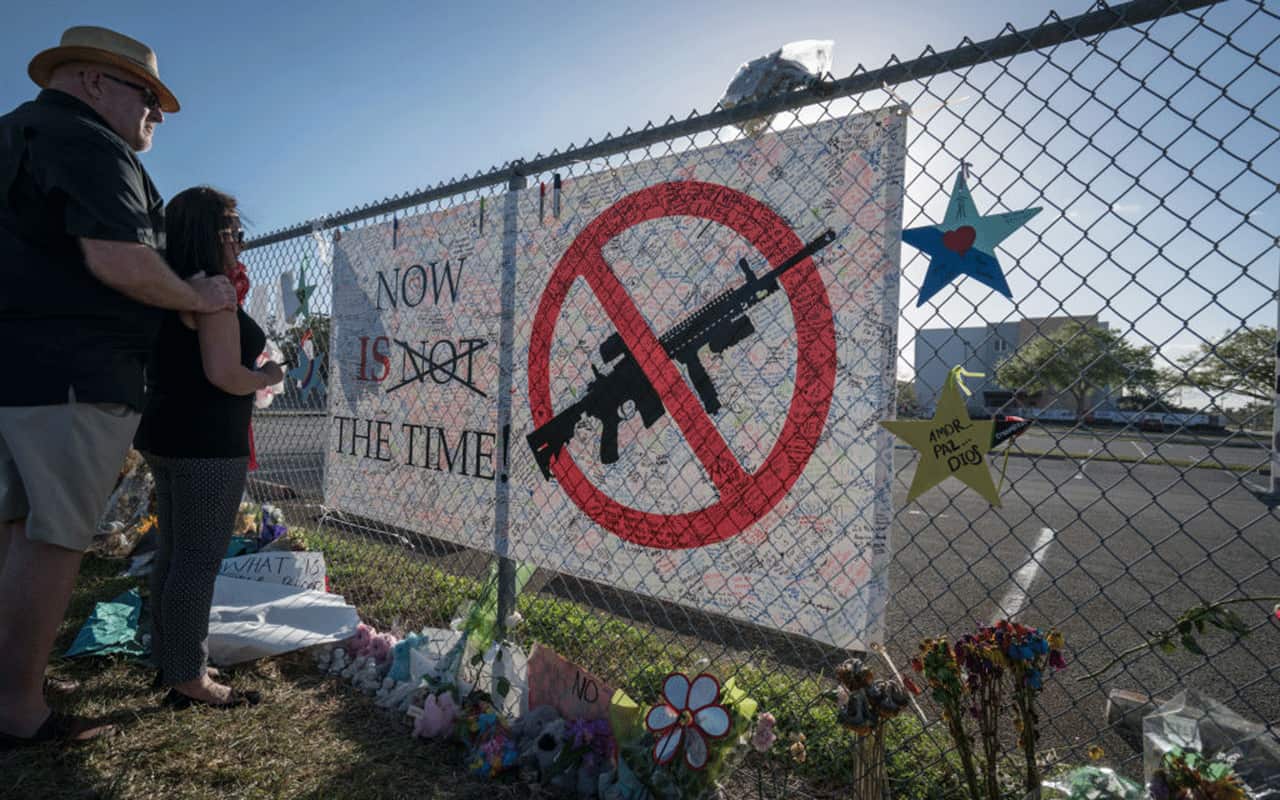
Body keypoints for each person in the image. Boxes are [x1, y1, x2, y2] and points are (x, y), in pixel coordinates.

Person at [0, 27, 237, 747]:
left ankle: (14, 678)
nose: (156, 115)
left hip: (18, 369)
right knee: (55, 537)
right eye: (148, 95)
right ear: (93, 81)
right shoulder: (89, 142)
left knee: (14, 530)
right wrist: (200, 298)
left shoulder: (15, 133)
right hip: (73, 374)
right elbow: (116, 257)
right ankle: (18, 711)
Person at [133, 187, 283, 708]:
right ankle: (187, 677)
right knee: (196, 561)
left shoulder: (165, 286)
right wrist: (268, 372)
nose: (240, 244)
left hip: (167, 435)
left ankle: (172, 658)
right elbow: (224, 375)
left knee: (173, 554)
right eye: (233, 234)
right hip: (206, 445)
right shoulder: (212, 290)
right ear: (209, 236)